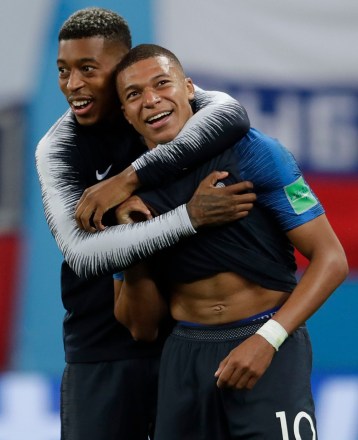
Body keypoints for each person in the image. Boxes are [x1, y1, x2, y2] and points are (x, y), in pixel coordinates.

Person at [35, 7, 255, 440]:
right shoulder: (57, 148)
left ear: (122, 66)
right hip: (102, 352)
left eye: (87, 69)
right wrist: (189, 217)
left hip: (190, 341)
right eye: (63, 71)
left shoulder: (169, 109)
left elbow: (233, 114)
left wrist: (129, 179)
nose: (73, 85)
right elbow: (81, 254)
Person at [112, 44, 349, 439]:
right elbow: (141, 327)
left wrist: (267, 339)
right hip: (184, 355)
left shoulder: (255, 153)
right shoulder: (122, 194)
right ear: (124, 113)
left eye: (161, 83)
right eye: (134, 94)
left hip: (266, 341)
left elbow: (331, 259)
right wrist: (134, 242)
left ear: (189, 88)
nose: (151, 100)